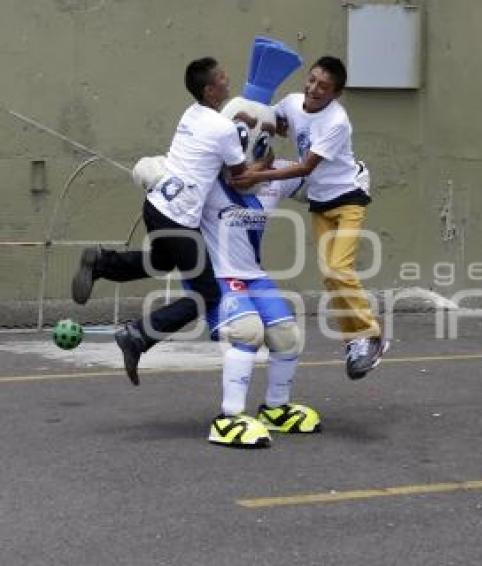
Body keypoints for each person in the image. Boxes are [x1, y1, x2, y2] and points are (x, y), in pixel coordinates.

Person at [71, 57, 246, 386]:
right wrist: (282, 168)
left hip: (156, 205)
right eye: (222, 77)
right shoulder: (224, 129)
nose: (227, 79)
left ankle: (102, 263)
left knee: (162, 261)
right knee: (207, 294)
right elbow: (241, 176)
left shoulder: (190, 113)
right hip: (180, 219)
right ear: (210, 90)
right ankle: (137, 335)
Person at [231, 56, 387, 380]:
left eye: (323, 87)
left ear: (336, 94)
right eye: (312, 80)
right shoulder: (291, 102)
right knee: (329, 276)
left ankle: (370, 336)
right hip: (320, 202)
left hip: (348, 199)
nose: (314, 89)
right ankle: (354, 341)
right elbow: (270, 122)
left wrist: (257, 176)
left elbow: (305, 168)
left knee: (338, 268)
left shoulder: (337, 122)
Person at [202, 152, 320, 448]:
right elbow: (167, 172)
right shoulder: (208, 174)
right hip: (217, 274)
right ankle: (229, 418)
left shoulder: (274, 177)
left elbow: (315, 182)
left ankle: (275, 409)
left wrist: (350, 174)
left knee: (288, 337)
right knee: (247, 332)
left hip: (254, 274)